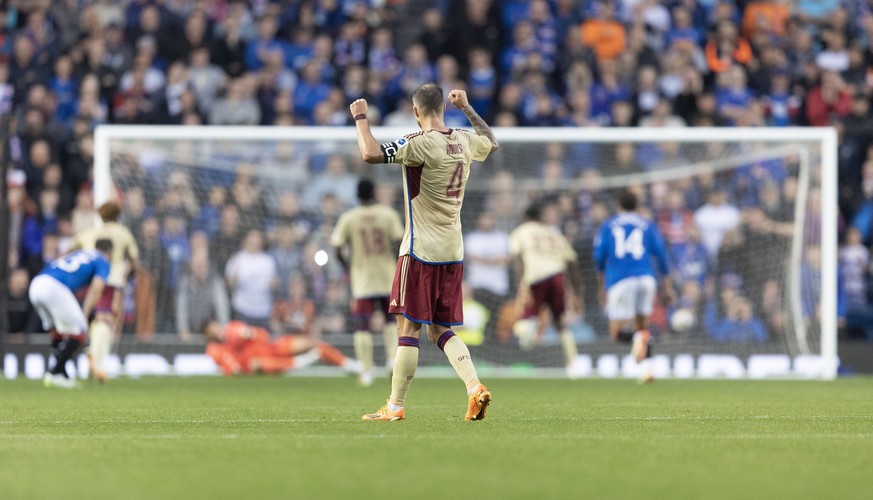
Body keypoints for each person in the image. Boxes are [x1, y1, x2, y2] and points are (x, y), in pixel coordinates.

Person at [350, 83, 498, 421]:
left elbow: (370, 153)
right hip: (453, 251)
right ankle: (474, 387)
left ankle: (395, 406)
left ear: (416, 112)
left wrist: (360, 118)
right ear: (443, 108)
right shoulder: (463, 139)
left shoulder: (418, 143)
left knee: (409, 329)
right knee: (440, 329)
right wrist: (468, 107)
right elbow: (492, 141)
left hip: (420, 250)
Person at [330, 178, 404, 386]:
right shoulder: (387, 214)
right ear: (374, 194)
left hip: (362, 278)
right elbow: (400, 240)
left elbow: (336, 245)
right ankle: (392, 360)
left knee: (362, 325)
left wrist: (347, 266)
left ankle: (366, 370)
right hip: (387, 274)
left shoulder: (349, 218)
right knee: (391, 321)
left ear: (357, 195)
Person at [594, 190, 674, 383]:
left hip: (620, 280)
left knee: (618, 333)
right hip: (646, 279)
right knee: (642, 328)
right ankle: (647, 370)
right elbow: (662, 256)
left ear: (619, 205)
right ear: (636, 206)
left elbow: (598, 259)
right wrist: (668, 286)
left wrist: (602, 288)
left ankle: (640, 346)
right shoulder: (647, 224)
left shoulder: (608, 225)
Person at [509, 198, 583, 377]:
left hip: (535, 278)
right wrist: (577, 293)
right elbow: (572, 262)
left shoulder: (520, 231)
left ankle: (530, 330)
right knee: (560, 322)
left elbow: (518, 260)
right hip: (557, 276)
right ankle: (574, 363)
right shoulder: (553, 233)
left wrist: (520, 285)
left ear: (526, 217)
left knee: (525, 318)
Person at [68, 201, 140, 382]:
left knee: (96, 321)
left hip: (88, 281)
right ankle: (95, 356)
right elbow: (134, 261)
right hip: (111, 281)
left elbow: (69, 250)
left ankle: (95, 360)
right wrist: (128, 276)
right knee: (105, 320)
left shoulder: (90, 232)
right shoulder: (123, 233)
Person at [28, 239, 114, 389]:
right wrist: (85, 315)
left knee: (57, 331)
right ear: (110, 253)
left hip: (37, 284)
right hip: (54, 287)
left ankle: (62, 374)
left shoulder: (80, 253)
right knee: (80, 331)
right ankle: (55, 372)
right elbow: (96, 288)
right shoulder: (103, 261)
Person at [203, 320, 361, 376]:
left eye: (216, 327)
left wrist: (245, 334)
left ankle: (348, 364)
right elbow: (229, 367)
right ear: (209, 336)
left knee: (311, 342)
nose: (218, 331)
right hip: (259, 362)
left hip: (272, 347)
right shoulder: (214, 349)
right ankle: (301, 362)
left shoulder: (232, 327)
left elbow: (258, 334)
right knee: (257, 364)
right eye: (213, 332)